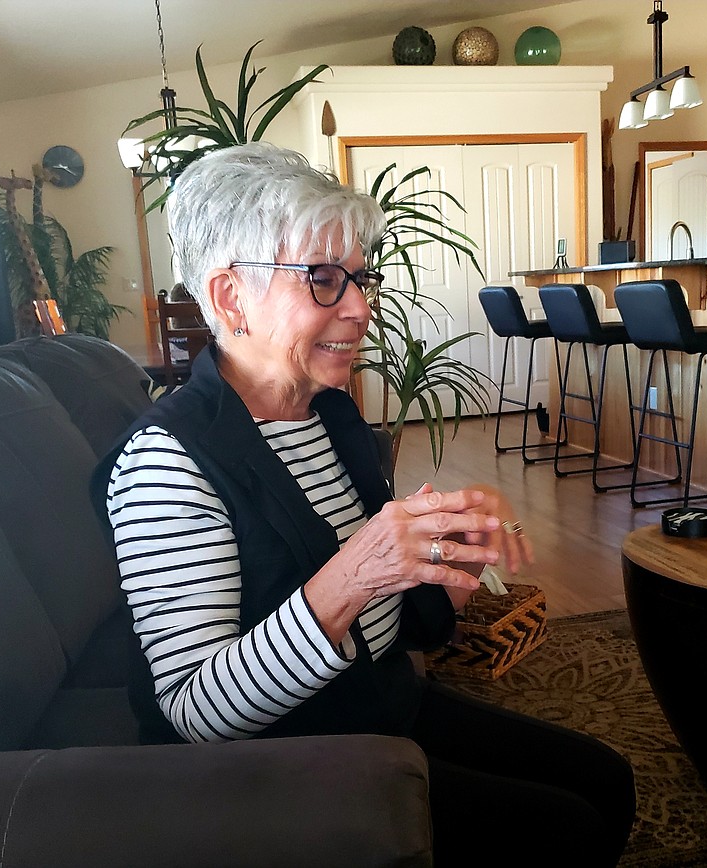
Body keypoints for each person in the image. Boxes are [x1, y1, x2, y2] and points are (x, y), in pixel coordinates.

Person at [91, 143, 635, 866]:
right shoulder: (167, 461)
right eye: (323, 280)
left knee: (608, 781)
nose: (361, 306)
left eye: (359, 277)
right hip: (280, 759)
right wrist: (357, 573)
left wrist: (438, 555)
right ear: (230, 298)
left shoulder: (327, 416)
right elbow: (197, 714)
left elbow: (386, 616)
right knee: (567, 829)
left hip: (376, 702)